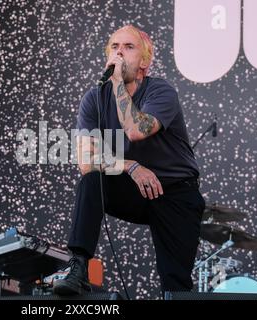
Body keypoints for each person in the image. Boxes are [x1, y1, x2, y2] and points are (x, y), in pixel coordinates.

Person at [51, 25, 205, 297]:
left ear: (145, 61)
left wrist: (119, 83)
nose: (119, 52)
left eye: (129, 47)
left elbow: (135, 130)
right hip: (134, 188)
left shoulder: (161, 91)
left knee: (176, 283)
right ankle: (78, 266)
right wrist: (130, 166)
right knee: (92, 180)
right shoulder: (94, 98)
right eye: (114, 47)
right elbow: (86, 161)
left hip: (175, 190)